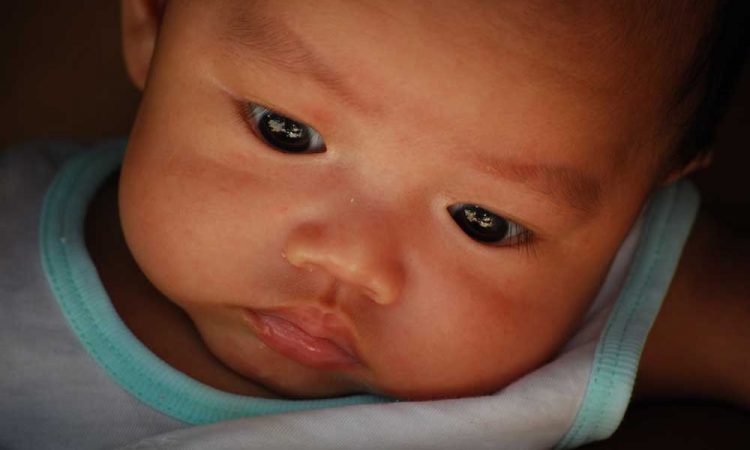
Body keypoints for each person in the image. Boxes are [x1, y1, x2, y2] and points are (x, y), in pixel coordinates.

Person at [1, 0, 748, 448]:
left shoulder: (606, 299)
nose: (351, 261)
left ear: (638, 197)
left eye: (482, 222)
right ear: (156, 21)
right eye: (285, 132)